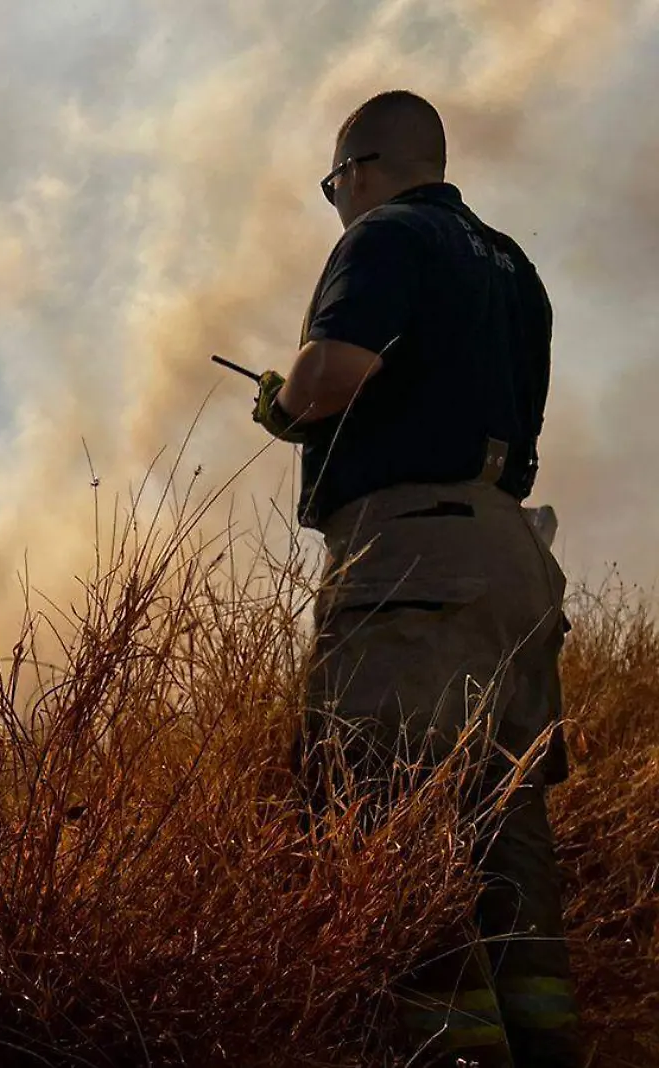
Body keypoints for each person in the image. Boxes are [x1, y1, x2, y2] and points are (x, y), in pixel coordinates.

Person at [250, 91, 576, 1066]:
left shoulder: (384, 235)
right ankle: (547, 1050)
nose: (335, 202)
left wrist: (287, 403)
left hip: (414, 554)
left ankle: (450, 1054)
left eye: (332, 184)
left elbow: (334, 374)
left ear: (361, 166)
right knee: (502, 826)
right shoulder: (514, 268)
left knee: (386, 811)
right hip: (510, 557)